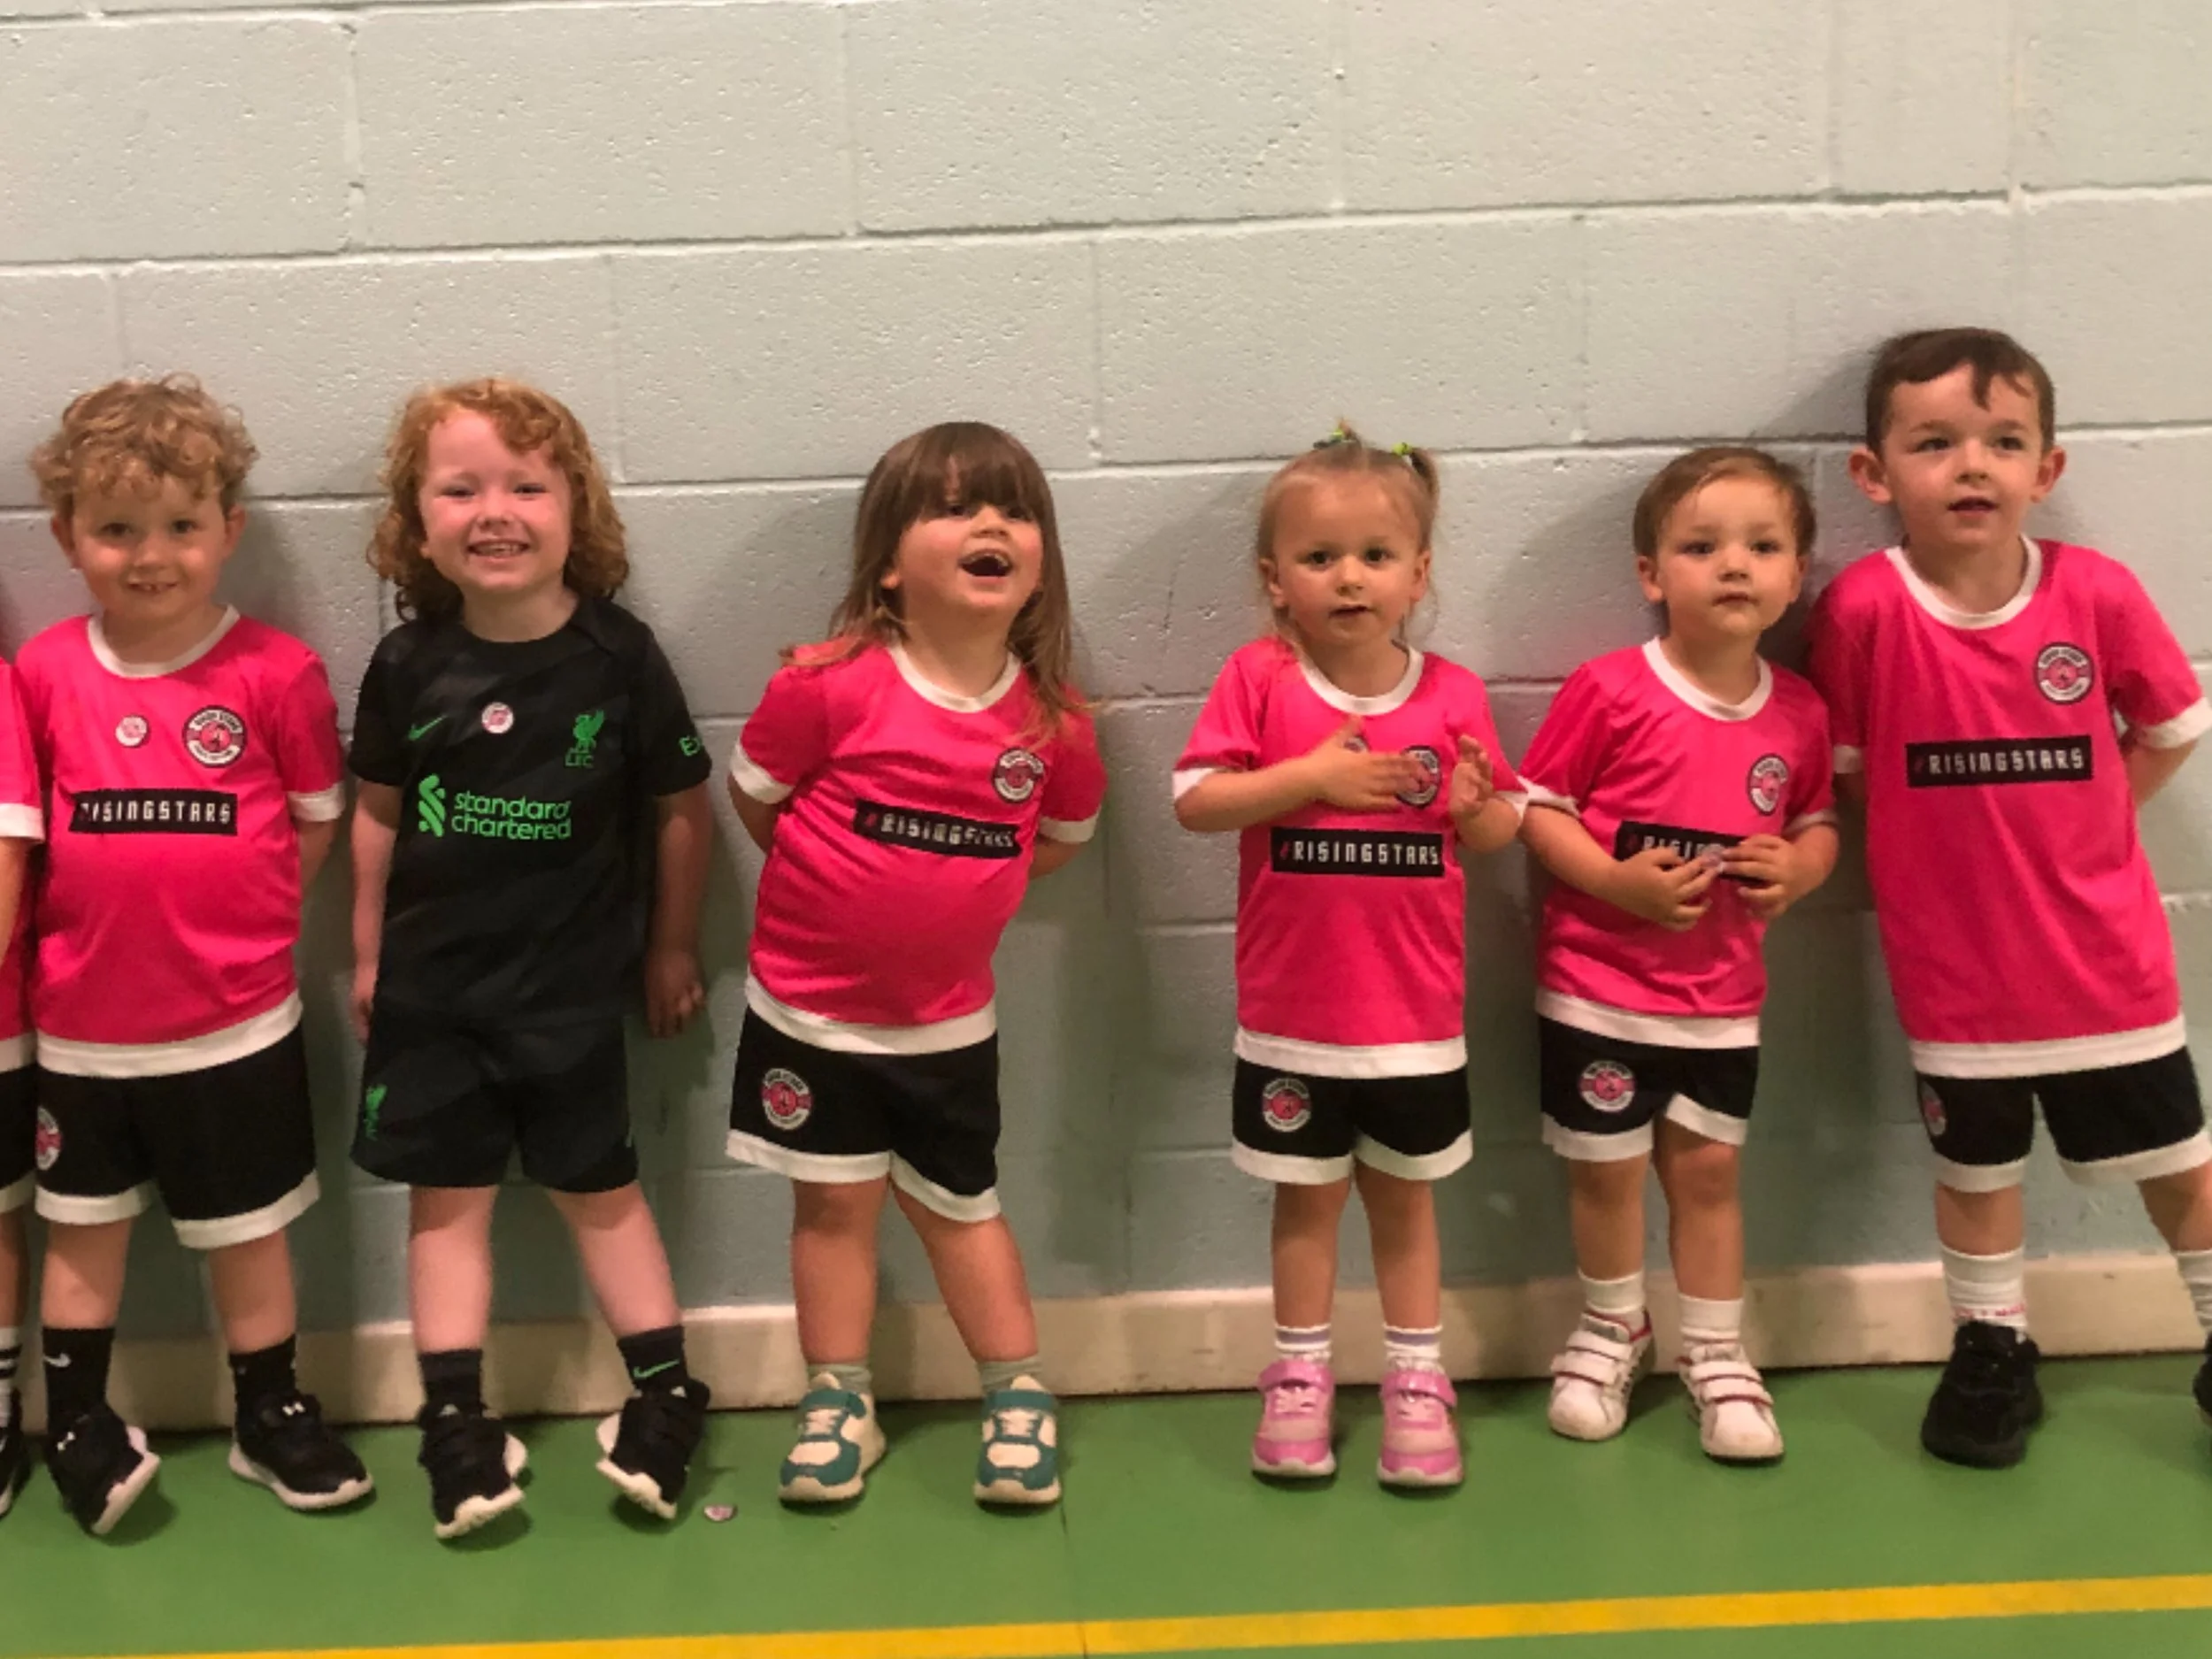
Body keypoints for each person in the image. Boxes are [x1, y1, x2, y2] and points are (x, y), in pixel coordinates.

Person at [1809, 327, 2212, 1468]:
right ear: (1874, 475)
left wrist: (2086, 825)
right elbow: (1850, 774)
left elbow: (2172, 729)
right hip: (1958, 977)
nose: (1971, 466)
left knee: (2177, 1161)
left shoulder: (2093, 594)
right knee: (1974, 1171)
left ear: (2048, 468)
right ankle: (1993, 1346)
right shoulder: (1862, 613)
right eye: (1935, 443)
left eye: (2002, 441)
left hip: (2105, 961)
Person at [349, 379, 714, 1536]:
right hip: (433, 1002)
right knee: (444, 1206)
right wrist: (366, 955)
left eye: (524, 484)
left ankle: (666, 1396)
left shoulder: (621, 657)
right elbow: (374, 814)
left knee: (602, 1194)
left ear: (575, 507)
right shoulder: (407, 664)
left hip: (570, 1003)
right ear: (418, 521)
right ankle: (456, 1423)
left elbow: (681, 809)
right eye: (460, 488)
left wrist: (668, 946)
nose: (492, 509)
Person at [726, 422, 1104, 1509]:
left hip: (945, 1028)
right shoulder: (824, 685)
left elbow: (1061, 844)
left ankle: (1017, 1392)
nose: (990, 524)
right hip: (809, 1019)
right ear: (889, 562)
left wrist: (940, 908)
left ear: (1039, 559)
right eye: (952, 507)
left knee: (960, 1208)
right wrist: (841, 898)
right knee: (832, 1212)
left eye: (1013, 509)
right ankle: (838, 1398)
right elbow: (758, 800)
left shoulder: (1052, 723)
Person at [21, 376, 368, 1534]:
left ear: (228, 529)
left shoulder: (275, 672)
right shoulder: (45, 675)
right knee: (84, 1228)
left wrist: (256, 914)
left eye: (179, 523)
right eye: (117, 527)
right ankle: (73, 1415)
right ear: (69, 536)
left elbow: (319, 814)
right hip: (77, 1027)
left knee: (247, 1228)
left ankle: (268, 1413)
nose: (150, 553)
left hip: (235, 1022)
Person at [1172, 426, 1524, 1487]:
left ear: (1418, 575)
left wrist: (1474, 811)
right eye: (1320, 558)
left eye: (1375, 555)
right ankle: (1299, 1377)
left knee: (1406, 1205)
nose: (1349, 577)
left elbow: (1504, 822)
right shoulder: (1259, 678)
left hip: (1413, 1023)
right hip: (1292, 1017)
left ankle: (1418, 1379)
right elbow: (1195, 802)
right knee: (1306, 1203)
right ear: (1275, 582)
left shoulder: (1452, 694)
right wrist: (1306, 780)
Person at [1519, 447, 1836, 1463]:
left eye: (1761, 546)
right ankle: (1614, 1326)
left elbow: (1820, 823)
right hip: (1598, 995)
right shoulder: (1609, 690)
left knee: (1704, 1176)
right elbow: (1536, 811)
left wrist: (1799, 868)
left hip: (1721, 1001)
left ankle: (1714, 1348)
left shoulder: (1799, 711)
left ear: (1796, 575)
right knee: (1605, 1176)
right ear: (1653, 574)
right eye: (1701, 547)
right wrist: (1613, 882)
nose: (1732, 566)